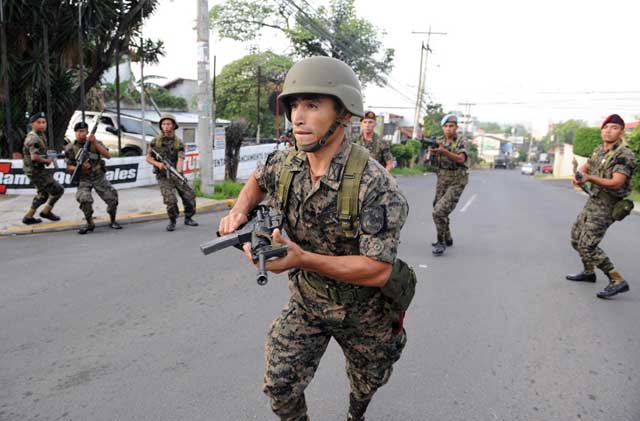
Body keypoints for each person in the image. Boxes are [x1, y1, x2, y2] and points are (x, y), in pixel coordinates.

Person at [218, 56, 410, 421]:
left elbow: (377, 270)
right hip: (309, 301)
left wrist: (301, 258)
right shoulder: (286, 163)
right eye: (293, 105)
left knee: (368, 381)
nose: (297, 117)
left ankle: (356, 414)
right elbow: (258, 180)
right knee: (280, 384)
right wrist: (240, 211)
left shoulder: (376, 185)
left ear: (345, 114)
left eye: (312, 105)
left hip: (364, 310)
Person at [568, 114, 637, 299]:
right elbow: (587, 167)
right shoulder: (599, 150)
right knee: (576, 238)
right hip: (594, 200)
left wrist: (590, 178)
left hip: (608, 205)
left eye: (614, 127)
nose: (608, 130)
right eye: (606, 127)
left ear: (621, 132)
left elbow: (616, 182)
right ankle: (589, 272)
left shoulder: (625, 155)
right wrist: (580, 175)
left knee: (588, 246)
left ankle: (617, 280)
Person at [64, 121, 122, 234]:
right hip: (83, 179)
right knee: (84, 199)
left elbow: (108, 155)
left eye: (84, 131)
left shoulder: (95, 143)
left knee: (112, 198)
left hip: (98, 176)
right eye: (79, 131)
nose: (82, 134)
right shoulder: (70, 148)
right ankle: (90, 223)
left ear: (87, 132)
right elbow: (68, 167)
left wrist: (95, 143)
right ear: (75, 133)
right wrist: (79, 167)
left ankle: (113, 220)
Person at [146, 114, 198, 232]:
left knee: (189, 196)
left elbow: (180, 159)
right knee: (170, 200)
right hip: (163, 176)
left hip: (176, 173)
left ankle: (188, 217)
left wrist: (178, 172)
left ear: (174, 126)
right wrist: (158, 164)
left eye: (169, 124)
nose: (166, 127)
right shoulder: (155, 142)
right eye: (164, 124)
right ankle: (172, 220)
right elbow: (148, 158)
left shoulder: (178, 142)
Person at [426, 114, 469, 255]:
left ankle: (441, 241)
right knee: (438, 207)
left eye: (451, 126)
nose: (448, 129)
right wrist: (430, 155)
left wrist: (444, 151)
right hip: (442, 179)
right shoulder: (438, 141)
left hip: (457, 180)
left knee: (439, 211)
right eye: (446, 126)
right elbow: (429, 162)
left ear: (456, 127)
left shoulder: (460, 141)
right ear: (442, 128)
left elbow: (461, 159)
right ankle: (448, 237)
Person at [21, 112, 64, 225]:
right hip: (36, 171)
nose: (42, 125)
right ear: (32, 124)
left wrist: (47, 155)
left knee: (43, 194)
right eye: (38, 122)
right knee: (58, 190)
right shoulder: (33, 139)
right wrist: (47, 161)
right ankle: (46, 212)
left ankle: (29, 217)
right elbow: (34, 157)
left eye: (43, 122)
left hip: (36, 170)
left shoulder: (40, 135)